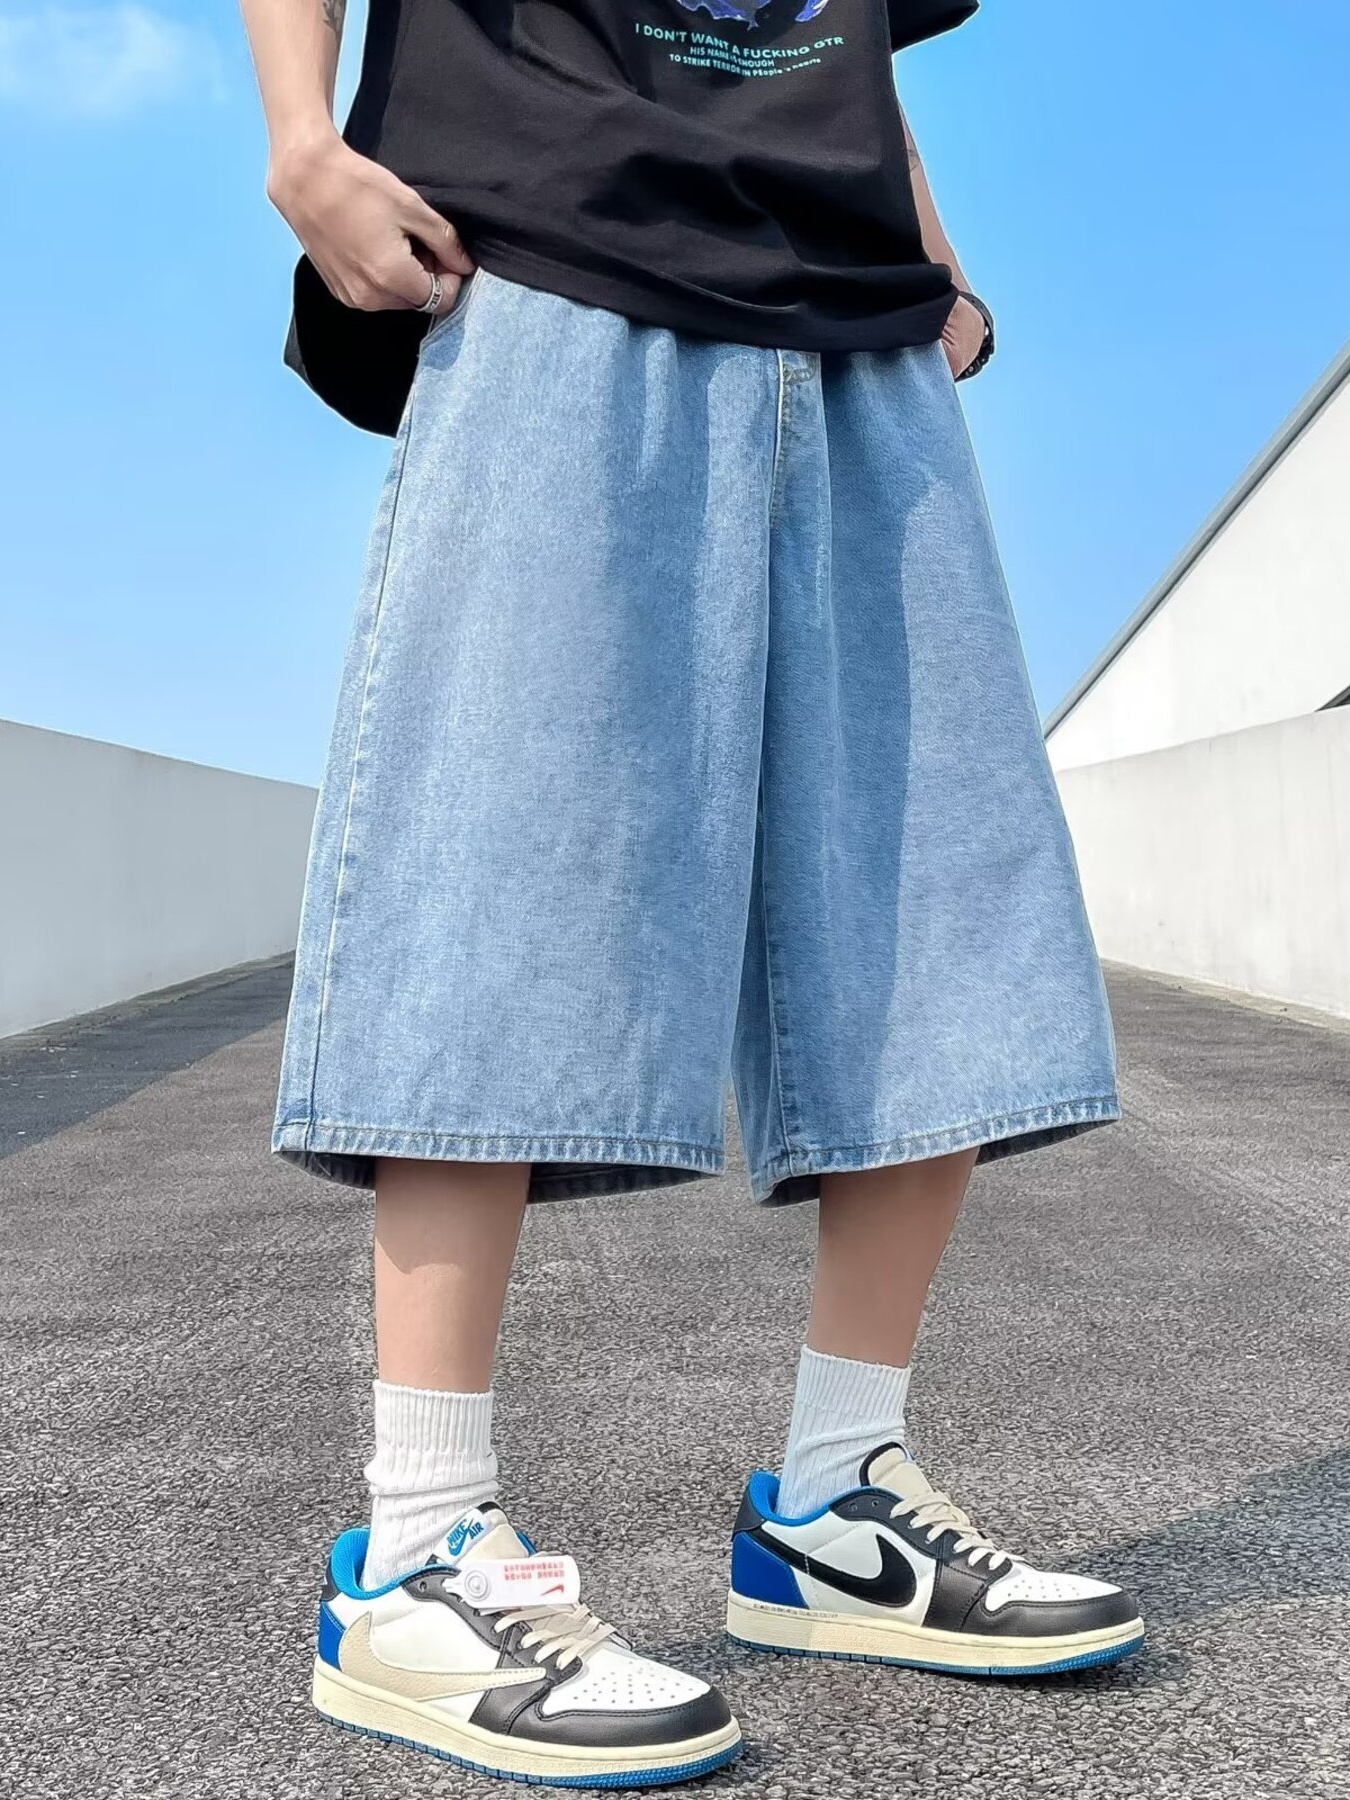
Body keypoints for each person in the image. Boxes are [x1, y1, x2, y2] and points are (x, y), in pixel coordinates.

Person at [241, 0, 1144, 1784]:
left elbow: (850, 46)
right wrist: (299, 141)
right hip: (555, 253)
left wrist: (943, 269)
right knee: (506, 867)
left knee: (924, 888)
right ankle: (418, 1547)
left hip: (860, 327)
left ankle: (836, 1500)